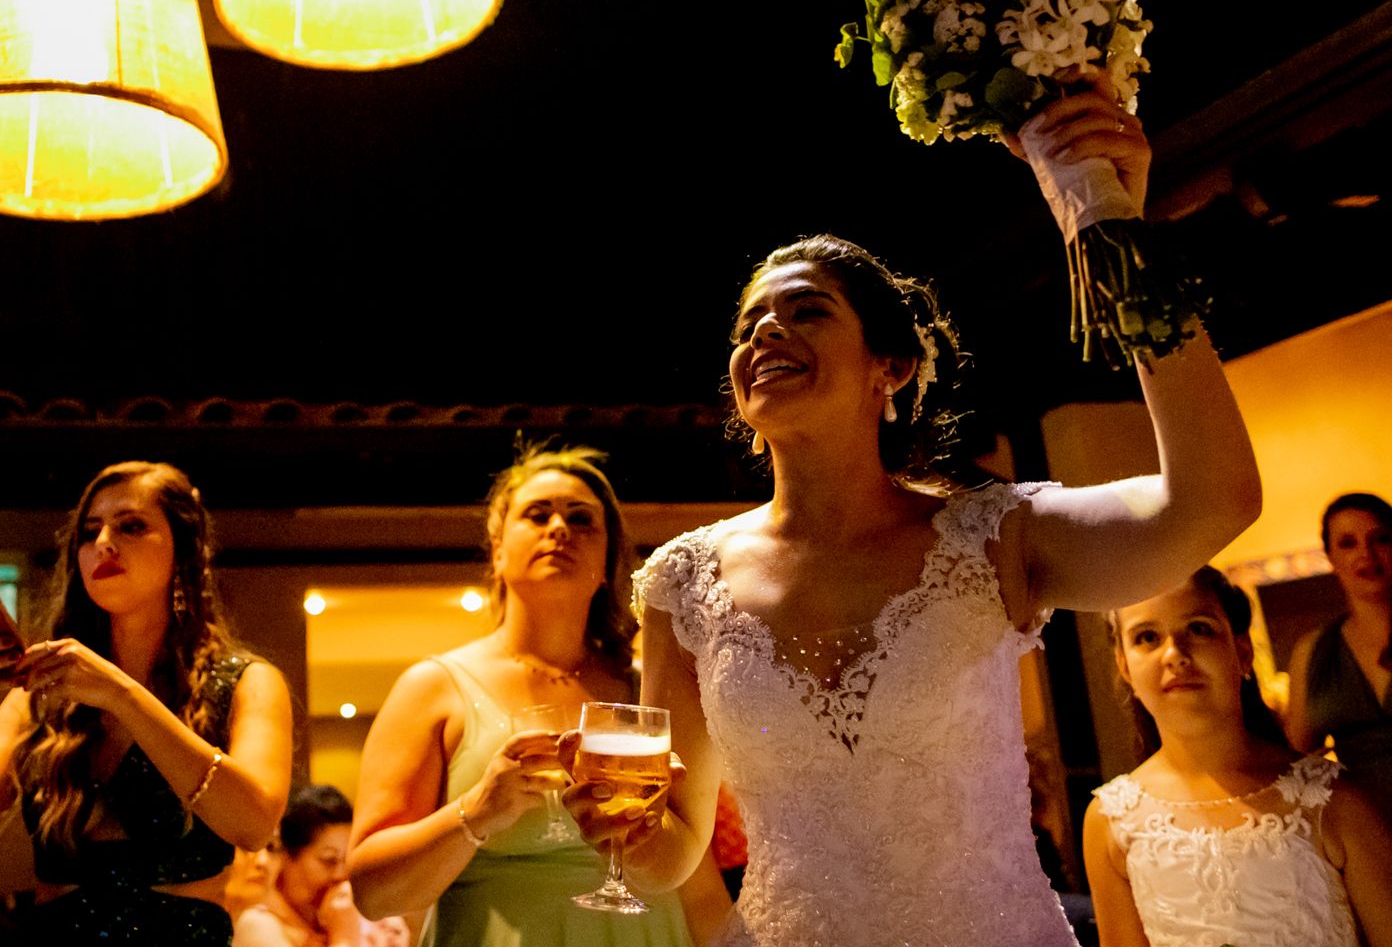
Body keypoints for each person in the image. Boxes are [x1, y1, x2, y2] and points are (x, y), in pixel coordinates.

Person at [568, 92, 1265, 946]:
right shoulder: (681, 585)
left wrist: (1106, 216)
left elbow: (1213, 500)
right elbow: (674, 847)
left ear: (888, 367)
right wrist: (623, 835)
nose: (764, 334)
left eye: (805, 311)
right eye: (748, 326)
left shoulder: (992, 537)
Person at [0, 461, 293, 945]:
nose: (104, 543)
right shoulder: (41, 699)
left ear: (184, 551)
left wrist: (122, 695)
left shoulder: (246, 683)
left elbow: (254, 824)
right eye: (90, 533)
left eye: (131, 526)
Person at [347, 444, 693, 947]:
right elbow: (374, 895)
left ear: (606, 561)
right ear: (498, 547)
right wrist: (478, 811)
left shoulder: (647, 692)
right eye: (537, 514)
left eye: (581, 520)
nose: (559, 529)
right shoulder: (434, 687)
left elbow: (697, 884)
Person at [1085, 567, 1392, 946]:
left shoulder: (1336, 802)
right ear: (1124, 666)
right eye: (1147, 637)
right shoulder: (1110, 821)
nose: (1174, 654)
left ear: (1241, 650)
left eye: (1198, 629)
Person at [1287, 492, 1392, 817]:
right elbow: (1296, 758)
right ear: (1331, 557)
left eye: (1381, 539)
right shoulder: (1314, 651)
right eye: (1348, 543)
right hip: (1368, 829)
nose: (1367, 554)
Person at [236, 784, 408, 947]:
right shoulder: (258, 924)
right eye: (329, 860)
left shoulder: (351, 919)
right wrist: (344, 937)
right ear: (287, 856)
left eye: (346, 861)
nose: (340, 875)